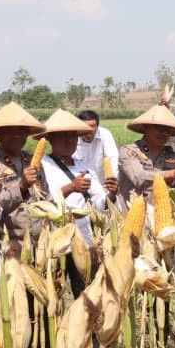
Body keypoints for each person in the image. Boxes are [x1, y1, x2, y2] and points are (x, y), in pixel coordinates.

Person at [40, 110, 117, 295]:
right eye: (62, 136)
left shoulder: (85, 166)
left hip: (84, 240)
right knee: (53, 297)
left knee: (86, 294)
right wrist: (71, 187)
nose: (69, 140)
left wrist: (111, 194)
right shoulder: (43, 165)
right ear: (50, 138)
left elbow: (98, 203)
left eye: (72, 136)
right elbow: (42, 202)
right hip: (54, 243)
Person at [0, 102, 47, 288]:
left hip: (36, 251)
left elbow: (45, 199)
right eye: (10, 130)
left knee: (35, 312)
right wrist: (22, 186)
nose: (17, 135)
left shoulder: (33, 161)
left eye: (21, 130)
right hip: (6, 253)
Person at [117, 105, 175, 204]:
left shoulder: (173, 156)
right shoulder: (129, 151)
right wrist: (172, 174)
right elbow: (139, 178)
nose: (165, 134)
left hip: (162, 215)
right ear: (146, 128)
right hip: (133, 212)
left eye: (168, 130)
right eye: (160, 129)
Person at [72, 110, 118, 184]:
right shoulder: (73, 138)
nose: (89, 130)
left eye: (92, 126)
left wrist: (112, 182)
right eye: (85, 127)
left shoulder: (104, 134)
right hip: (80, 184)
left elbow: (112, 157)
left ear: (97, 126)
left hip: (102, 183)